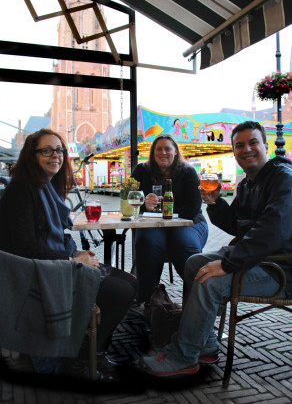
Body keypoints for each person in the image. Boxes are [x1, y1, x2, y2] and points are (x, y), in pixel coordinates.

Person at [141, 121, 292, 377]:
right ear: (234, 152)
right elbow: (236, 225)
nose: (246, 149)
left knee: (208, 279)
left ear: (266, 146)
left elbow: (273, 229)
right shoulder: (247, 184)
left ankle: (184, 355)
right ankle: (205, 341)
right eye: (239, 145)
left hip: (280, 269)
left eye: (253, 143)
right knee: (194, 263)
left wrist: (227, 263)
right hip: (257, 259)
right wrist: (214, 203)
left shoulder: (284, 179)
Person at [0, 128, 138, 380]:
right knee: (122, 291)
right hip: (35, 273)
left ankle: (95, 351)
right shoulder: (22, 189)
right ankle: (82, 357)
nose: (56, 155)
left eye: (59, 150)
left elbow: (56, 236)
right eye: (47, 150)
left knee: (130, 282)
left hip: (51, 264)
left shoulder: (46, 186)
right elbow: (25, 246)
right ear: (32, 156)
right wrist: (71, 260)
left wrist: (77, 252)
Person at [131, 133, 208, 304]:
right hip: (153, 225)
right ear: (153, 152)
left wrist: (162, 210)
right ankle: (149, 300)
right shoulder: (141, 171)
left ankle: (195, 301)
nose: (163, 152)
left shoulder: (187, 171)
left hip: (190, 223)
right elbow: (129, 200)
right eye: (159, 149)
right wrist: (143, 205)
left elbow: (193, 209)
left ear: (175, 151)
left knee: (183, 243)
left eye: (167, 149)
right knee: (147, 241)